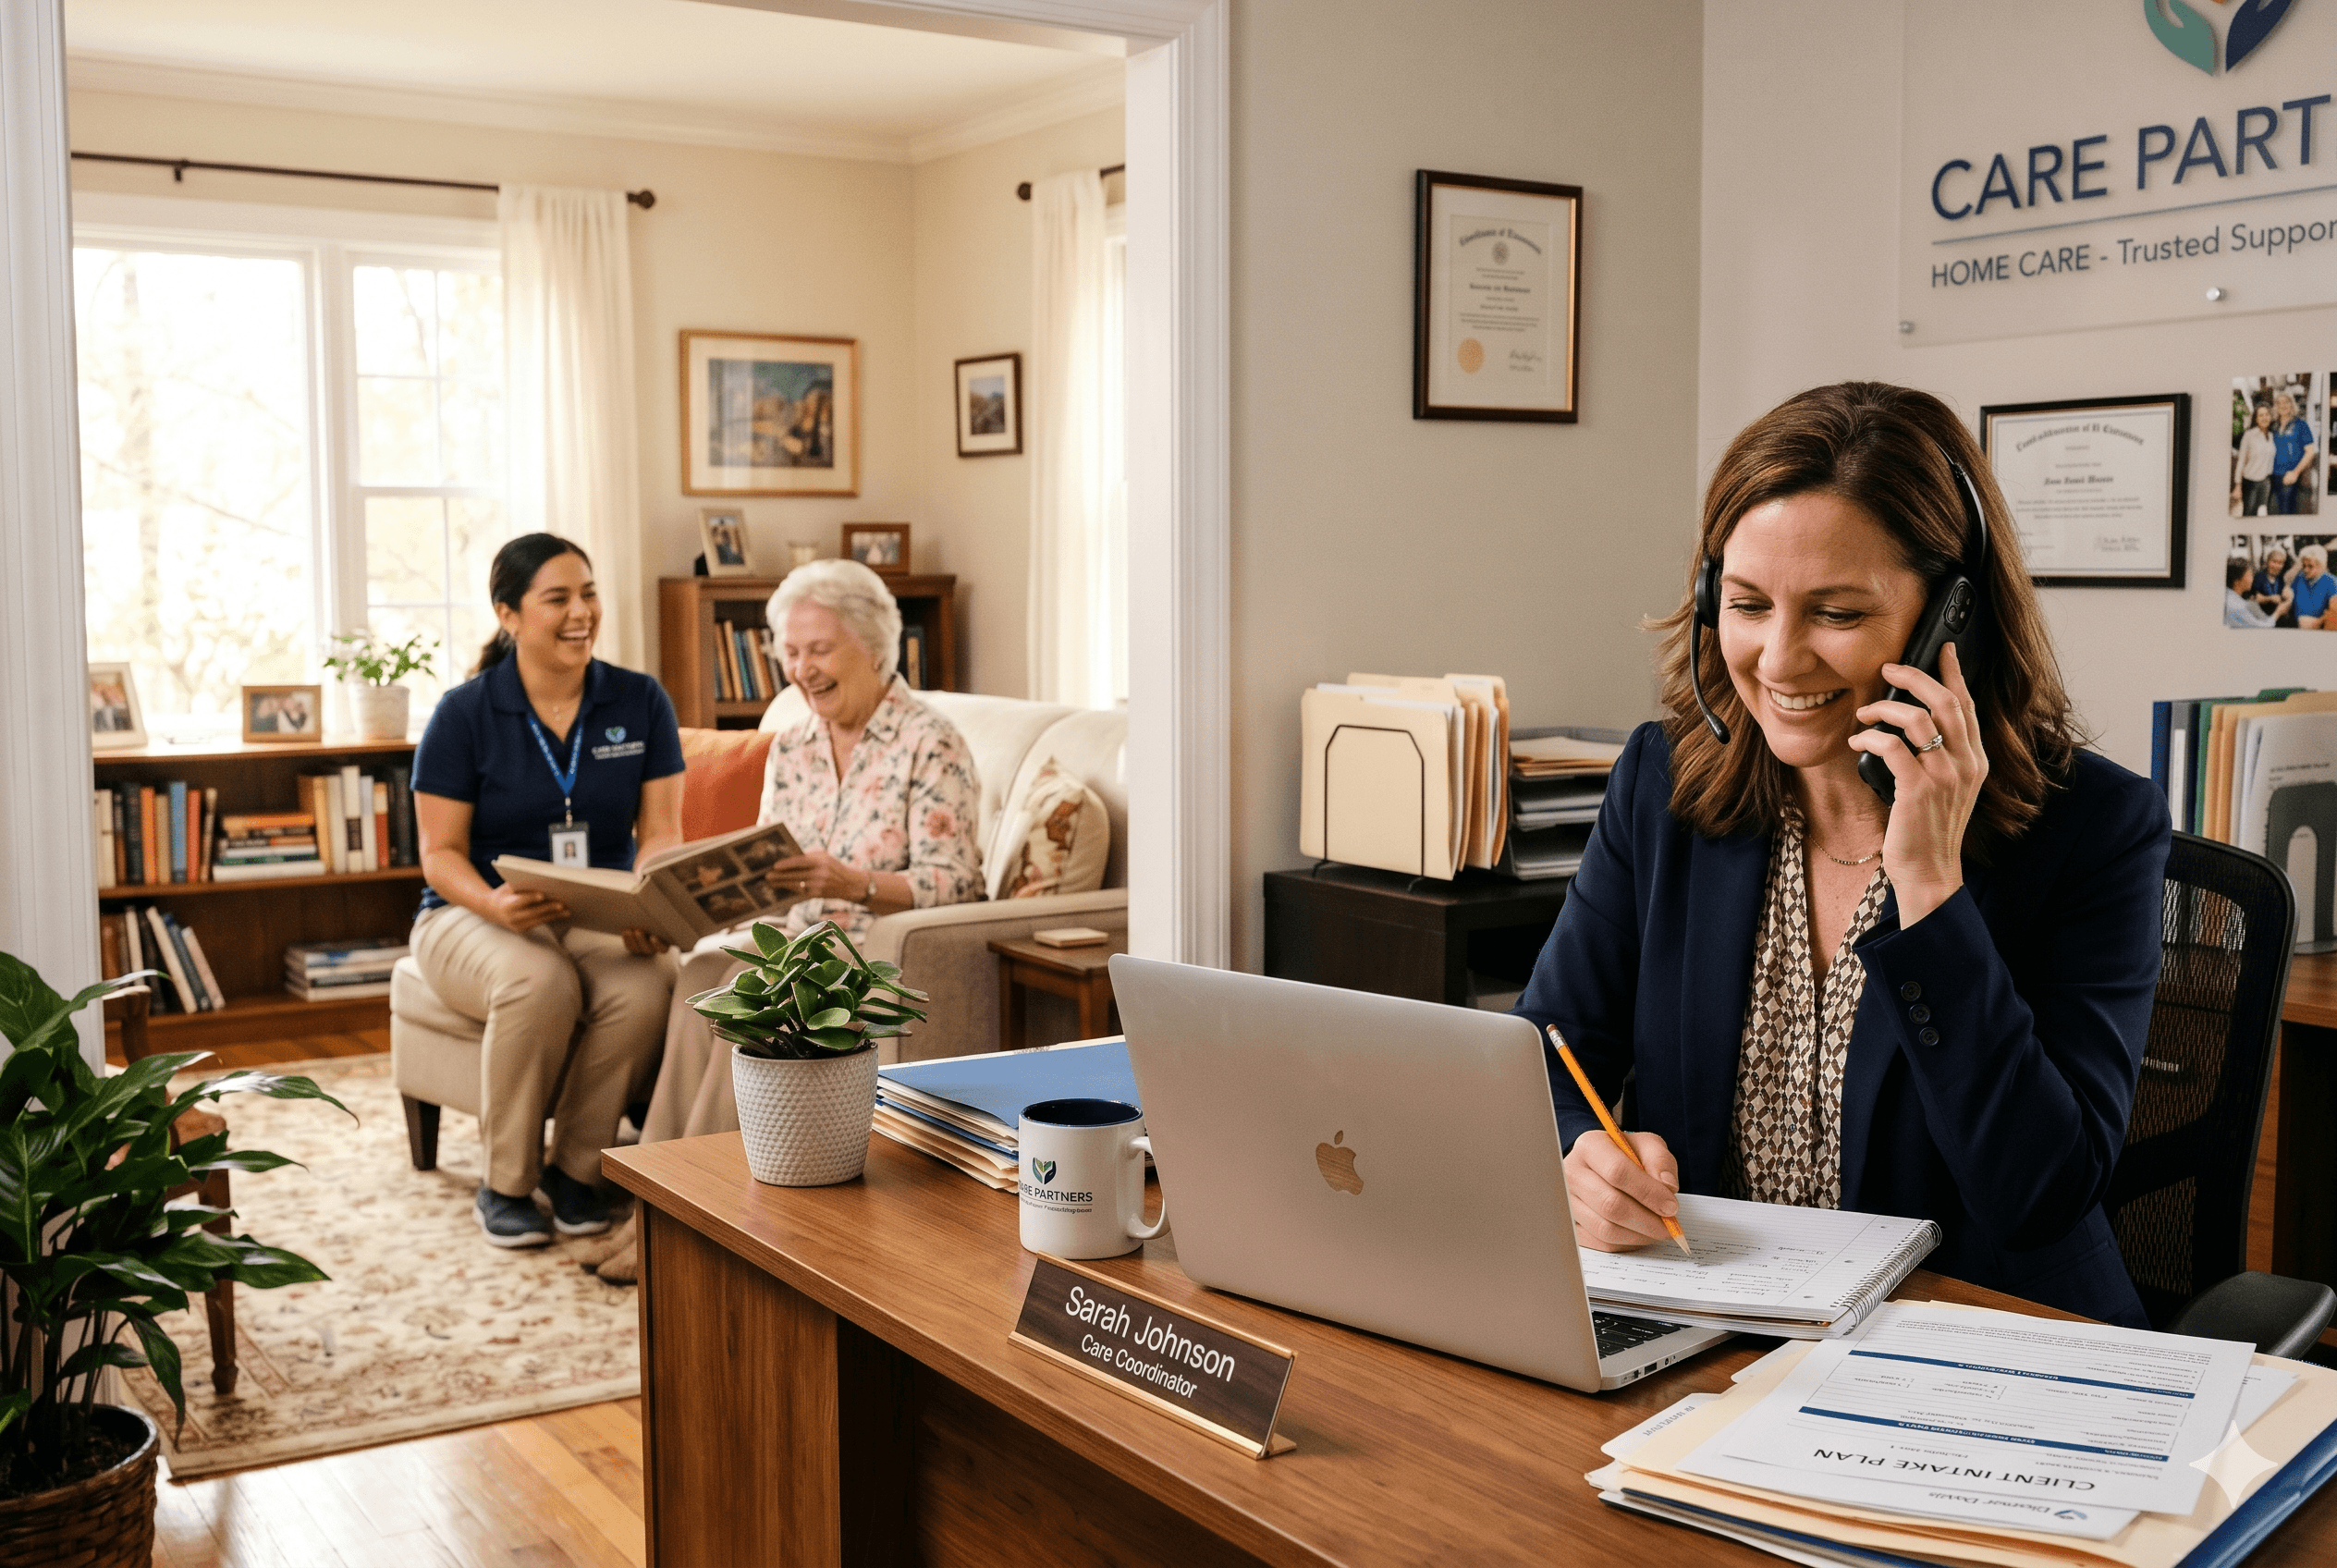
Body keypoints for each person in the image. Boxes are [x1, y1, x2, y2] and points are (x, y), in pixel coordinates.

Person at [1515, 382, 2171, 1327]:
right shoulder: (1662, 784)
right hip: (1720, 1331)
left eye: (1833, 612)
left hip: (1978, 1342)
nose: (1777, 661)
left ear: (1952, 616)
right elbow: (1546, 1055)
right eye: (1745, 603)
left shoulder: (2092, 828)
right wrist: (1581, 1154)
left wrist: (1931, 889)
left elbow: (2038, 1193)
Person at [577, 559, 985, 1283]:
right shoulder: (793, 744)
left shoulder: (931, 742)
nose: (801, 670)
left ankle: (685, 1220)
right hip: (789, 939)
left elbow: (958, 885)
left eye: (819, 650)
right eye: (790, 653)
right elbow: (766, 863)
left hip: (867, 953)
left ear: (874, 645)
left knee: (741, 988)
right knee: (705, 972)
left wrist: (851, 882)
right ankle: (658, 1207)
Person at [411, 533, 686, 1250]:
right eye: (557, 598)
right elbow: (438, 855)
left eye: (589, 594)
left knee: (648, 981)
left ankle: (576, 1173)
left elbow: (660, 831)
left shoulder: (639, 700)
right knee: (540, 981)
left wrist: (651, 895)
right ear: (508, 614)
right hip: (470, 913)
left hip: (593, 910)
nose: (581, 613)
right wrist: (495, 904)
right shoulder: (463, 713)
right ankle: (505, 1183)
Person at [2271, 390, 2319, 516]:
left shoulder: (2301, 425)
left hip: (2289, 477)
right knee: (2272, 512)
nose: (2283, 405)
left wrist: (2295, 472)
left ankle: (2288, 536)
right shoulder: (2273, 427)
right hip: (2271, 477)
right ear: (2276, 406)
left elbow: (2310, 452)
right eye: (2279, 403)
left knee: (2286, 513)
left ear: (2292, 404)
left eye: (2286, 402)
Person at [2236, 400, 2277, 518]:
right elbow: (2241, 461)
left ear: (2270, 417)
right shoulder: (2249, 435)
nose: (2264, 418)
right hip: (2251, 482)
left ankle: (2255, 536)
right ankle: (2243, 536)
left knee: (2261, 515)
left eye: (2267, 414)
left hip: (2266, 482)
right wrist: (2238, 485)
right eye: (2261, 415)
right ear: (2256, 418)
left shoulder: (2271, 436)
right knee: (2248, 514)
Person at [2228, 555, 2288, 628]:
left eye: (2280, 563)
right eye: (2249, 574)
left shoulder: (2281, 579)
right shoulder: (2238, 607)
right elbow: (2262, 627)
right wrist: (2278, 612)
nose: (2252, 577)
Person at [2291, 543, 2337, 630]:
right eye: (2304, 566)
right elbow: (2290, 596)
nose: (2305, 570)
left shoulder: (2332, 582)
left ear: (2322, 566)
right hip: (2297, 626)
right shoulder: (2300, 578)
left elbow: (2335, 610)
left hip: (2318, 628)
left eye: (2310, 566)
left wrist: (2318, 622)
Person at [2252, 544, 2292, 619]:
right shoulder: (2260, 576)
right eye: (2274, 561)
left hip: (2278, 617)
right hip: (2262, 617)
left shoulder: (2281, 577)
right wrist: (2270, 599)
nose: (2276, 566)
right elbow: (2255, 598)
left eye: (2280, 563)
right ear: (2267, 561)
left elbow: (2284, 595)